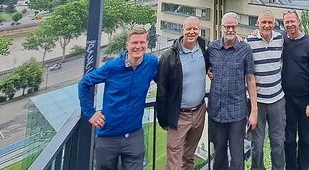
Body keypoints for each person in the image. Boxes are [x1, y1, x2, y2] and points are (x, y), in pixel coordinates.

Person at [78, 26, 158, 170]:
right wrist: (90, 112)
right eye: (134, 43)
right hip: (108, 135)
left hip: (134, 134)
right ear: (127, 45)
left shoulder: (151, 64)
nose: (138, 46)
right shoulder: (112, 67)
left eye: (142, 42)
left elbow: (165, 81)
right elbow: (84, 84)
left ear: (147, 44)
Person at [156, 16, 210, 170]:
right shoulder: (170, 57)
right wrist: (164, 120)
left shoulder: (203, 48)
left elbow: (211, 65)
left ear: (199, 31)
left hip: (199, 111)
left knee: (189, 157)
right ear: (182, 31)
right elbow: (162, 91)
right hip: (179, 115)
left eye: (195, 29)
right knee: (174, 160)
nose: (192, 32)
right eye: (189, 29)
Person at [207, 12, 258, 170]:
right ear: (221, 27)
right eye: (227, 26)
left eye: (233, 26)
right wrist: (209, 71)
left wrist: (254, 110)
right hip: (217, 110)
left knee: (237, 156)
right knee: (219, 154)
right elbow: (206, 68)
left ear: (237, 27)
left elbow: (250, 79)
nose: (230, 29)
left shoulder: (245, 49)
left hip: (237, 111)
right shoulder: (212, 48)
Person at [246, 10, 286, 170]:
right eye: (263, 22)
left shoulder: (280, 39)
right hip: (257, 103)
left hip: (277, 100)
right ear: (257, 24)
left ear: (274, 24)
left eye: (270, 22)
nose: (267, 25)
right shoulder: (248, 42)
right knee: (257, 145)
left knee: (278, 142)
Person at [282, 10, 309, 170]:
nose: (290, 25)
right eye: (287, 22)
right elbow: (264, 36)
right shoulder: (282, 40)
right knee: (289, 138)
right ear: (283, 24)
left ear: (298, 22)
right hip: (287, 100)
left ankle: (303, 167)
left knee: (304, 137)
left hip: (305, 100)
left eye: (292, 21)